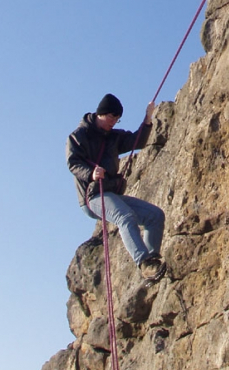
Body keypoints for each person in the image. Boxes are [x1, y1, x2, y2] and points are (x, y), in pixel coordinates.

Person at [66, 93, 167, 283]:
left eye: (117, 119)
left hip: (111, 192)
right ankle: (144, 262)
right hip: (92, 196)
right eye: (112, 117)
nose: (114, 122)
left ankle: (152, 264)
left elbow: (138, 141)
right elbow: (73, 162)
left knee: (155, 215)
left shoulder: (113, 137)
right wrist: (91, 173)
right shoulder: (78, 136)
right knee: (125, 216)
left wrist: (147, 120)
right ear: (101, 113)